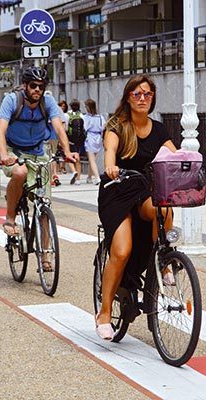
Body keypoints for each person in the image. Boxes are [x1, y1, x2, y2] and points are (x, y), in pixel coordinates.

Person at [96, 74, 177, 340]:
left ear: (152, 99)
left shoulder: (159, 130)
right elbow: (110, 149)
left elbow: (174, 156)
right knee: (121, 251)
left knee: (163, 208)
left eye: (147, 94)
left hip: (143, 191)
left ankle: (163, 260)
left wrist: (189, 167)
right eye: (137, 94)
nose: (142, 98)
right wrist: (111, 166)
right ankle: (105, 312)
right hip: (116, 191)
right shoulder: (117, 126)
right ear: (128, 97)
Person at [0, 65, 78, 237]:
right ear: (25, 85)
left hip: (38, 151)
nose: (37, 89)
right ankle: (10, 217)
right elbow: (0, 130)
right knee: (20, 172)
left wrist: (67, 152)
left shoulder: (47, 102)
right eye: (33, 85)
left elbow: (59, 128)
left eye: (41, 86)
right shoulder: (11, 100)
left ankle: (46, 257)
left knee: (45, 204)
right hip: (13, 150)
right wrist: (4, 155)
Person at [83, 99, 105, 185]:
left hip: (90, 137)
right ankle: (89, 177)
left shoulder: (87, 117)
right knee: (92, 159)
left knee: (92, 159)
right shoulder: (100, 117)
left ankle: (96, 177)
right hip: (98, 137)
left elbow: (85, 127)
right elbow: (103, 126)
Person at [66, 99, 85, 185]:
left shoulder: (67, 115)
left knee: (68, 156)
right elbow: (85, 128)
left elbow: (65, 128)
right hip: (80, 140)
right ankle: (78, 179)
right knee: (78, 158)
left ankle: (74, 171)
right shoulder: (81, 115)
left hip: (70, 139)